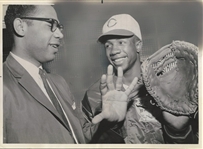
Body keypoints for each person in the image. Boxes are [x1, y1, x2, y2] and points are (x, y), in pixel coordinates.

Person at [3, 5, 138, 143]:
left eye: (59, 27)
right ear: (20, 26)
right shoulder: (3, 86)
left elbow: (80, 138)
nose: (60, 35)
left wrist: (109, 123)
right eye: (51, 24)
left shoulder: (58, 83)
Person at [82, 14, 198, 143]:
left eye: (121, 42)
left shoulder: (166, 85)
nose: (114, 50)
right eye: (108, 45)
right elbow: (85, 141)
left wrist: (178, 130)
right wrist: (108, 126)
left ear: (138, 45)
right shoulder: (95, 95)